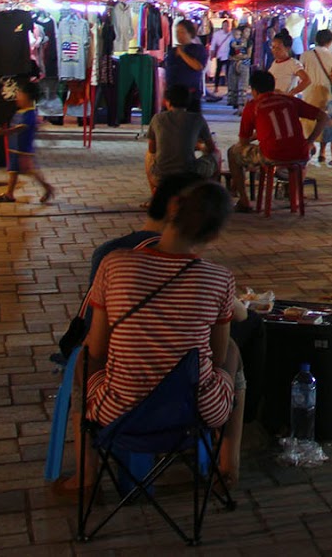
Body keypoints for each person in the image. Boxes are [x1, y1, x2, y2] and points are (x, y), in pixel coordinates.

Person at [75, 179, 247, 490]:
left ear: (171, 208)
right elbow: (219, 357)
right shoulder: (219, 279)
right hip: (194, 414)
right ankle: (228, 463)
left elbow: (97, 348)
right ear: (213, 235)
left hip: (118, 412)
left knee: (83, 358)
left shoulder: (114, 264)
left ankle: (85, 476)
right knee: (233, 350)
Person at [228, 70, 325, 213]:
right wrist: (310, 141)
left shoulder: (253, 106)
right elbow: (323, 117)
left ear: (254, 90)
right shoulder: (289, 100)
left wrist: (256, 140)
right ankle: (293, 196)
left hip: (272, 155)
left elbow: (243, 142)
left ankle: (244, 201)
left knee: (233, 152)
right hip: (301, 153)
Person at [146, 84, 216, 190]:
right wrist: (199, 147)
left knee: (148, 156)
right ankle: (211, 194)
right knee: (217, 155)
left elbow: (152, 149)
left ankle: (155, 195)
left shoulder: (157, 118)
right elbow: (211, 149)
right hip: (190, 174)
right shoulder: (197, 118)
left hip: (161, 175)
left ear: (167, 101)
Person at [0, 78, 54, 204]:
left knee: (30, 171)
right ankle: (9, 194)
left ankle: (47, 187)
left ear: (28, 97)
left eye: (19, 95)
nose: (17, 98)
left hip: (23, 149)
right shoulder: (21, 112)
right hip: (14, 147)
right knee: (13, 171)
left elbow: (20, 128)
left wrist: (5, 132)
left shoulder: (29, 114)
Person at [164, 19, 208, 111]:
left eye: (182, 32)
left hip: (190, 94)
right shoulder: (172, 51)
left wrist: (182, 53)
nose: (179, 35)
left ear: (190, 33)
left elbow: (198, 66)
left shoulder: (198, 49)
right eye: (177, 32)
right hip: (173, 94)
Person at [267, 30, 309, 96]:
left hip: (286, 102)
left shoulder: (293, 64)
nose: (274, 51)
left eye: (278, 48)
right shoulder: (274, 63)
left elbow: (307, 80)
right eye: (273, 47)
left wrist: (290, 93)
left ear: (287, 48)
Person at [225, 24, 251, 110]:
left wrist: (237, 58)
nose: (248, 33)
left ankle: (241, 106)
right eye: (246, 31)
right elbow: (230, 55)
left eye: (249, 32)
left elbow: (248, 55)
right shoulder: (234, 41)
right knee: (233, 85)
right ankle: (235, 105)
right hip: (234, 65)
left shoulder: (249, 42)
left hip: (244, 65)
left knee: (242, 87)